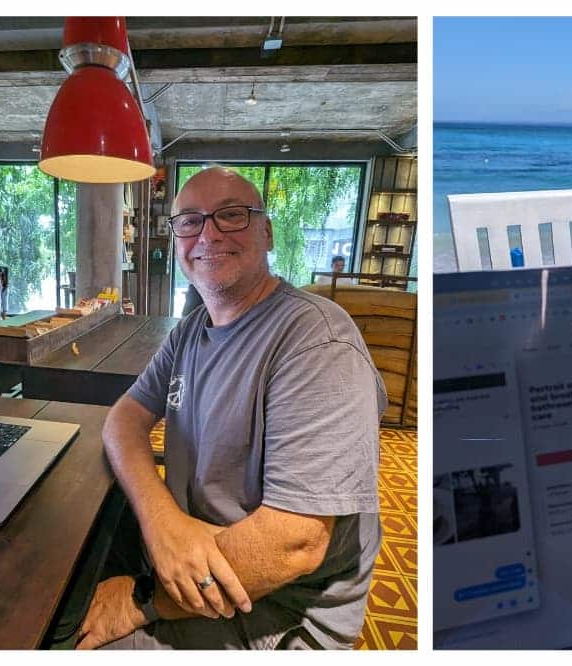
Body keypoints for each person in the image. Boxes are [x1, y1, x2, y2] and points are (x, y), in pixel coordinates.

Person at [78, 167, 386, 649]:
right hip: (190, 560)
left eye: (232, 216)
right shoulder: (191, 330)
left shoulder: (315, 341)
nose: (209, 233)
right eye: (190, 221)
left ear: (266, 232)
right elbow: (124, 419)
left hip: (272, 610)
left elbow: (293, 545)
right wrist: (163, 520)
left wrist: (141, 601)